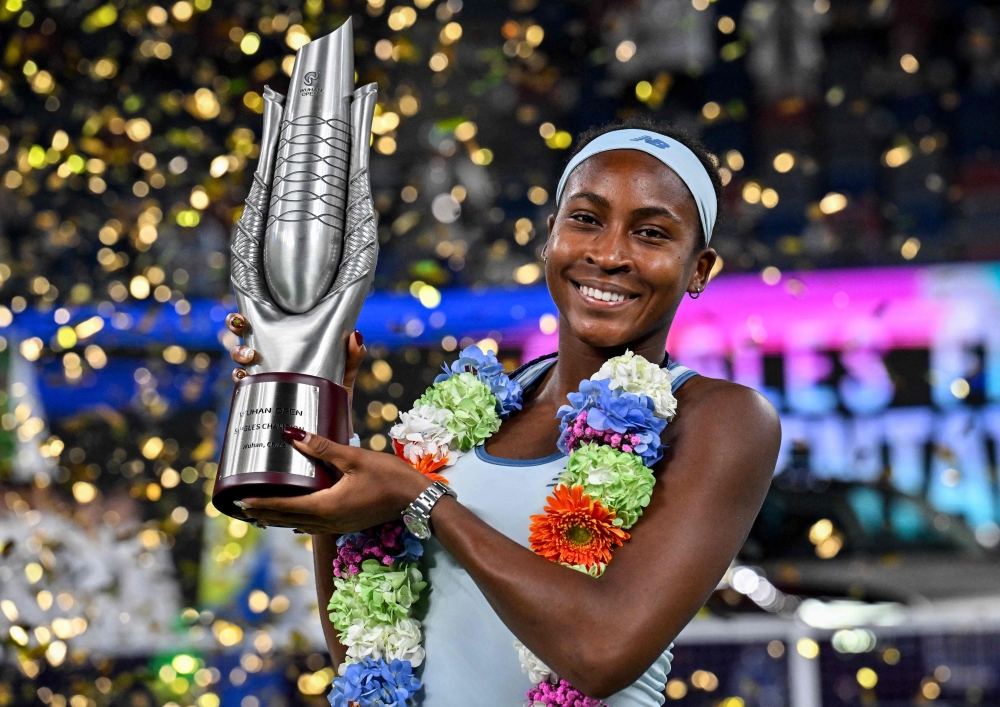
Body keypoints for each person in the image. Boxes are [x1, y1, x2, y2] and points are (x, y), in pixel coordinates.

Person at [227, 117, 781, 705]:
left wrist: (423, 502)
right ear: (550, 235)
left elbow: (601, 653)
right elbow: (360, 655)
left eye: (651, 233)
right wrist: (323, 398)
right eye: (586, 220)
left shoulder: (722, 417)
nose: (610, 253)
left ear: (699, 269)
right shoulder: (469, 409)